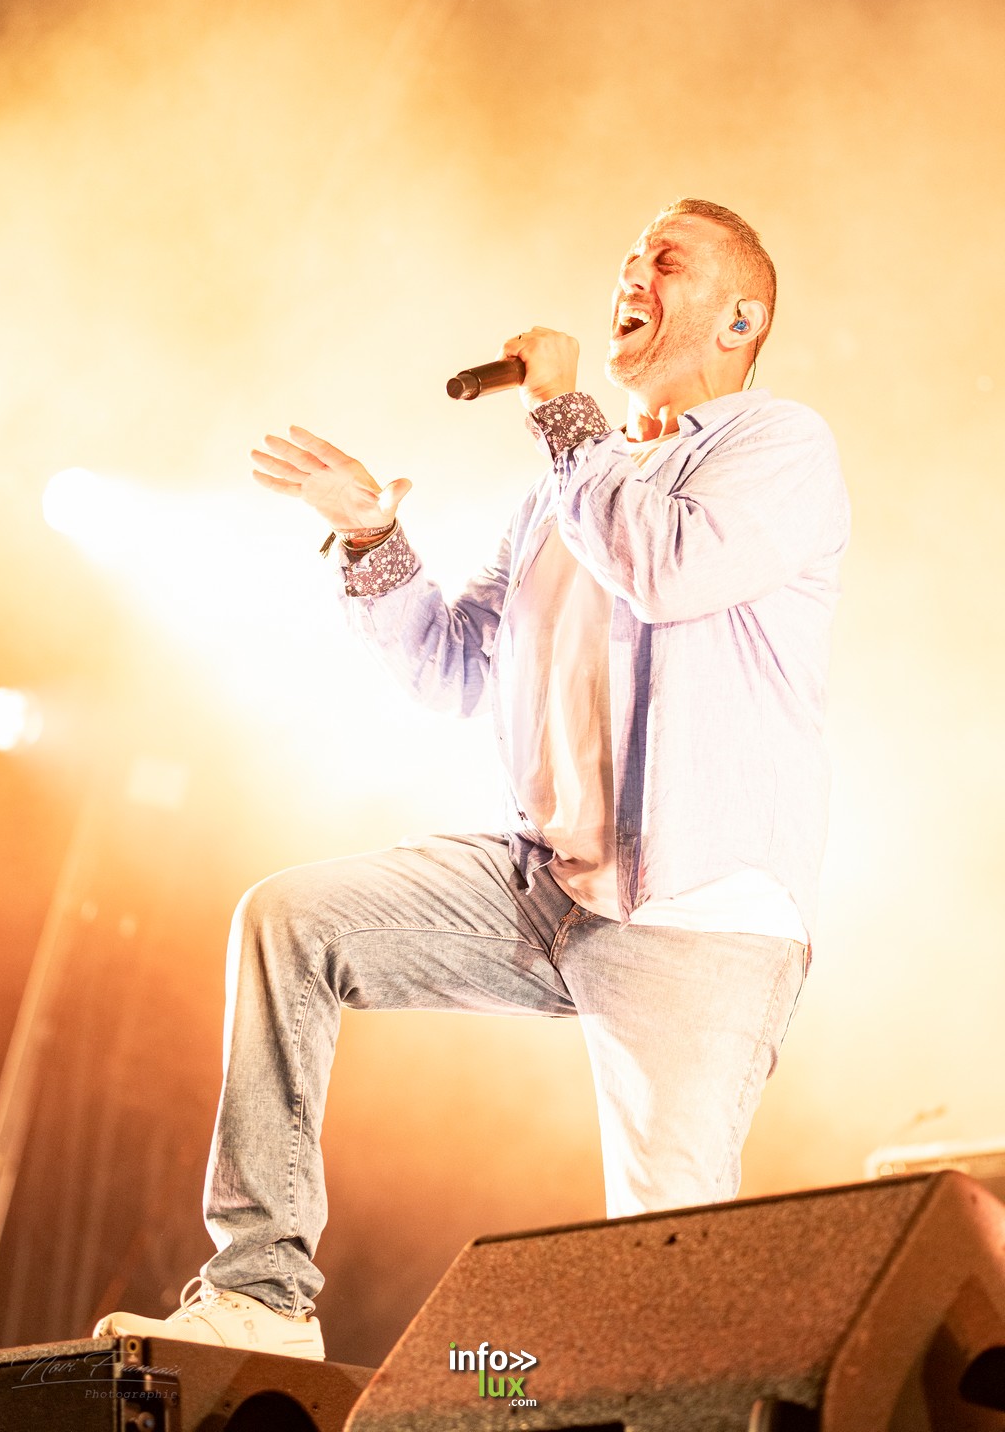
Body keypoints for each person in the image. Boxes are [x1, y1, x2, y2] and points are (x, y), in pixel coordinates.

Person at [94, 198, 850, 1360]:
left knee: (665, 1278)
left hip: (701, 918)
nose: (630, 273)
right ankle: (260, 1297)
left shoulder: (776, 445)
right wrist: (368, 539)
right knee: (292, 922)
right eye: (626, 255)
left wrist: (562, 414)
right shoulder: (562, 490)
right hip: (542, 886)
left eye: (664, 260)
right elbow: (455, 671)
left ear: (740, 320)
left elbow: (665, 566)